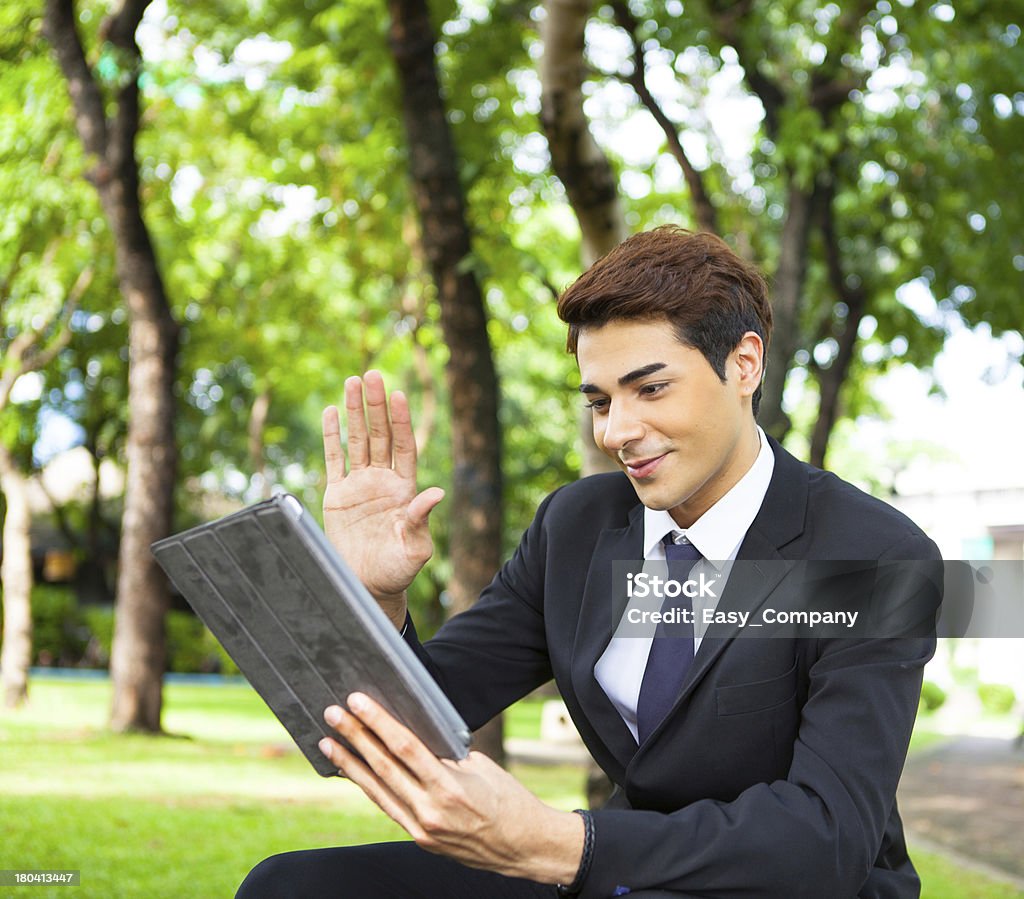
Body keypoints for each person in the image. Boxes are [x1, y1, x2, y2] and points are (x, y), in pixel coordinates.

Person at [237, 227, 940, 898]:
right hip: (617, 869)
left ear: (743, 364)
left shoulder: (872, 555)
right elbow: (415, 716)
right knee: (290, 887)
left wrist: (558, 841)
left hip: (789, 886)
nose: (618, 432)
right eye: (600, 400)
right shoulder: (577, 526)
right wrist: (372, 598)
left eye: (651, 388)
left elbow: (827, 837)